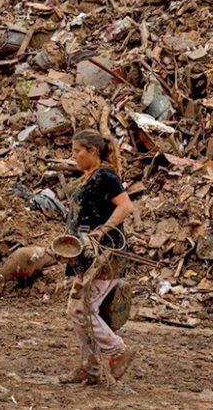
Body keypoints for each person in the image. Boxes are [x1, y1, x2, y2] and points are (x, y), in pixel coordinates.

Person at [59, 129, 136, 385]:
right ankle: (90, 368)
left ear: (92, 151)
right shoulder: (88, 177)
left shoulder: (105, 175)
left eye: (77, 151)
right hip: (87, 257)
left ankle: (118, 351)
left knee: (83, 308)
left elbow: (126, 206)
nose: (74, 157)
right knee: (76, 309)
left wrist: (102, 232)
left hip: (105, 255)